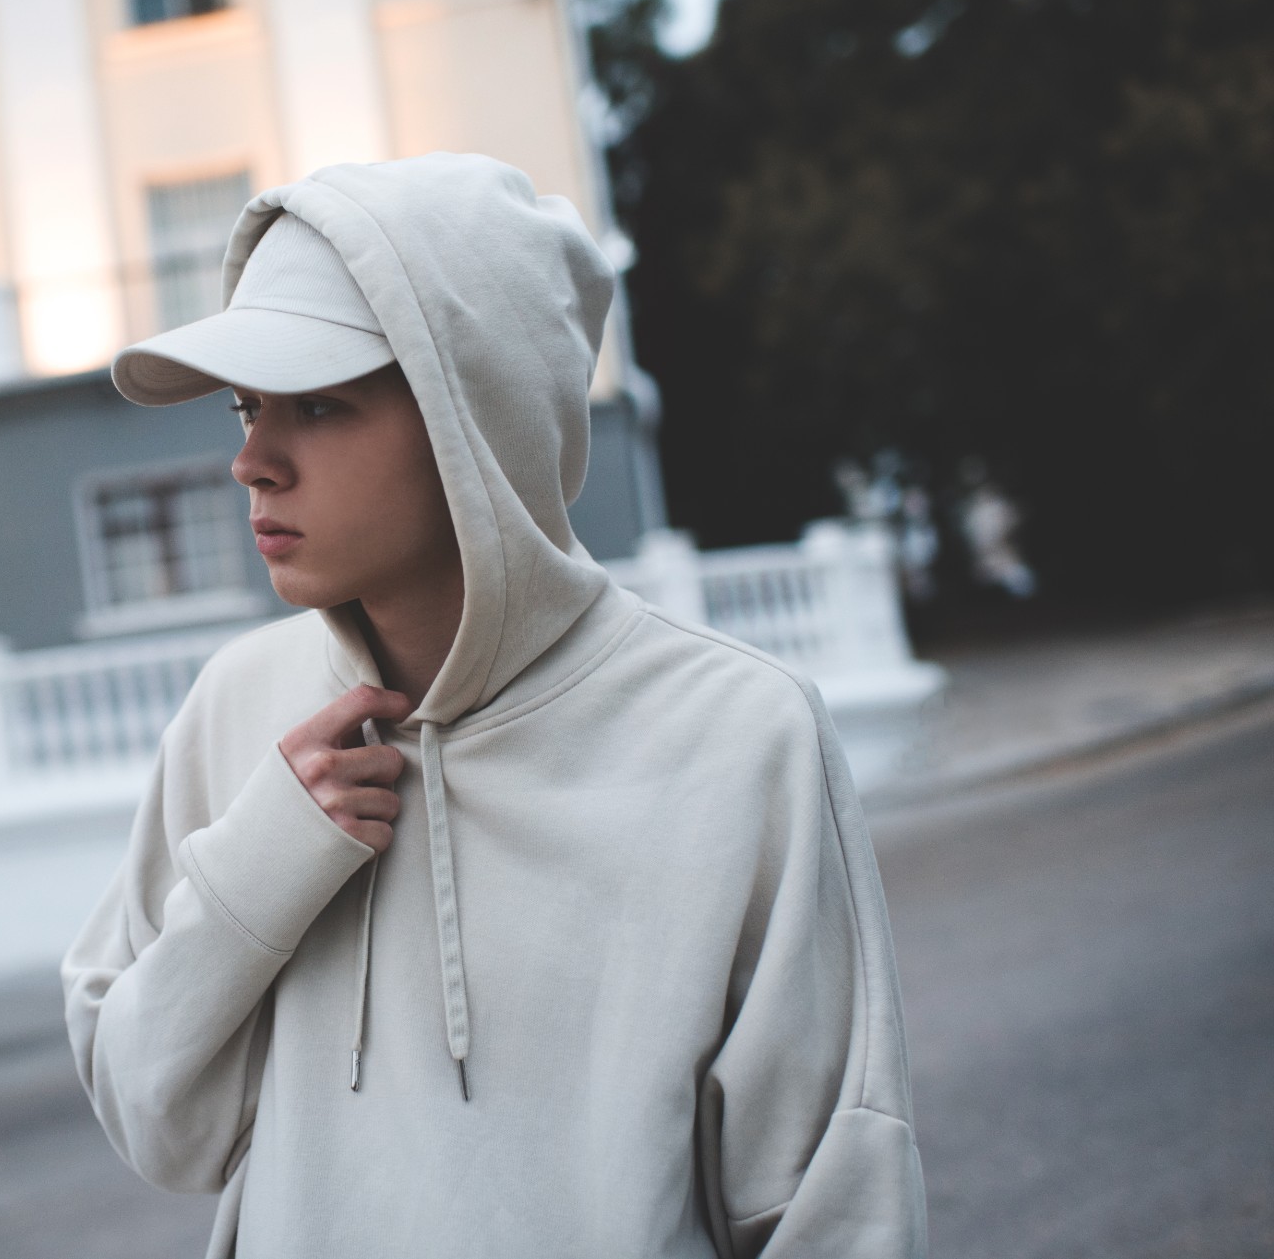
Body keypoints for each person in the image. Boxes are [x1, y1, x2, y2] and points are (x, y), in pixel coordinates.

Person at [61, 153, 927, 1258]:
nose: (252, 463)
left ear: (479, 413)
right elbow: (159, 1129)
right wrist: (257, 875)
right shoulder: (241, 709)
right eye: (245, 408)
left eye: (319, 405)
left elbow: (826, 1196)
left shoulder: (738, 731)